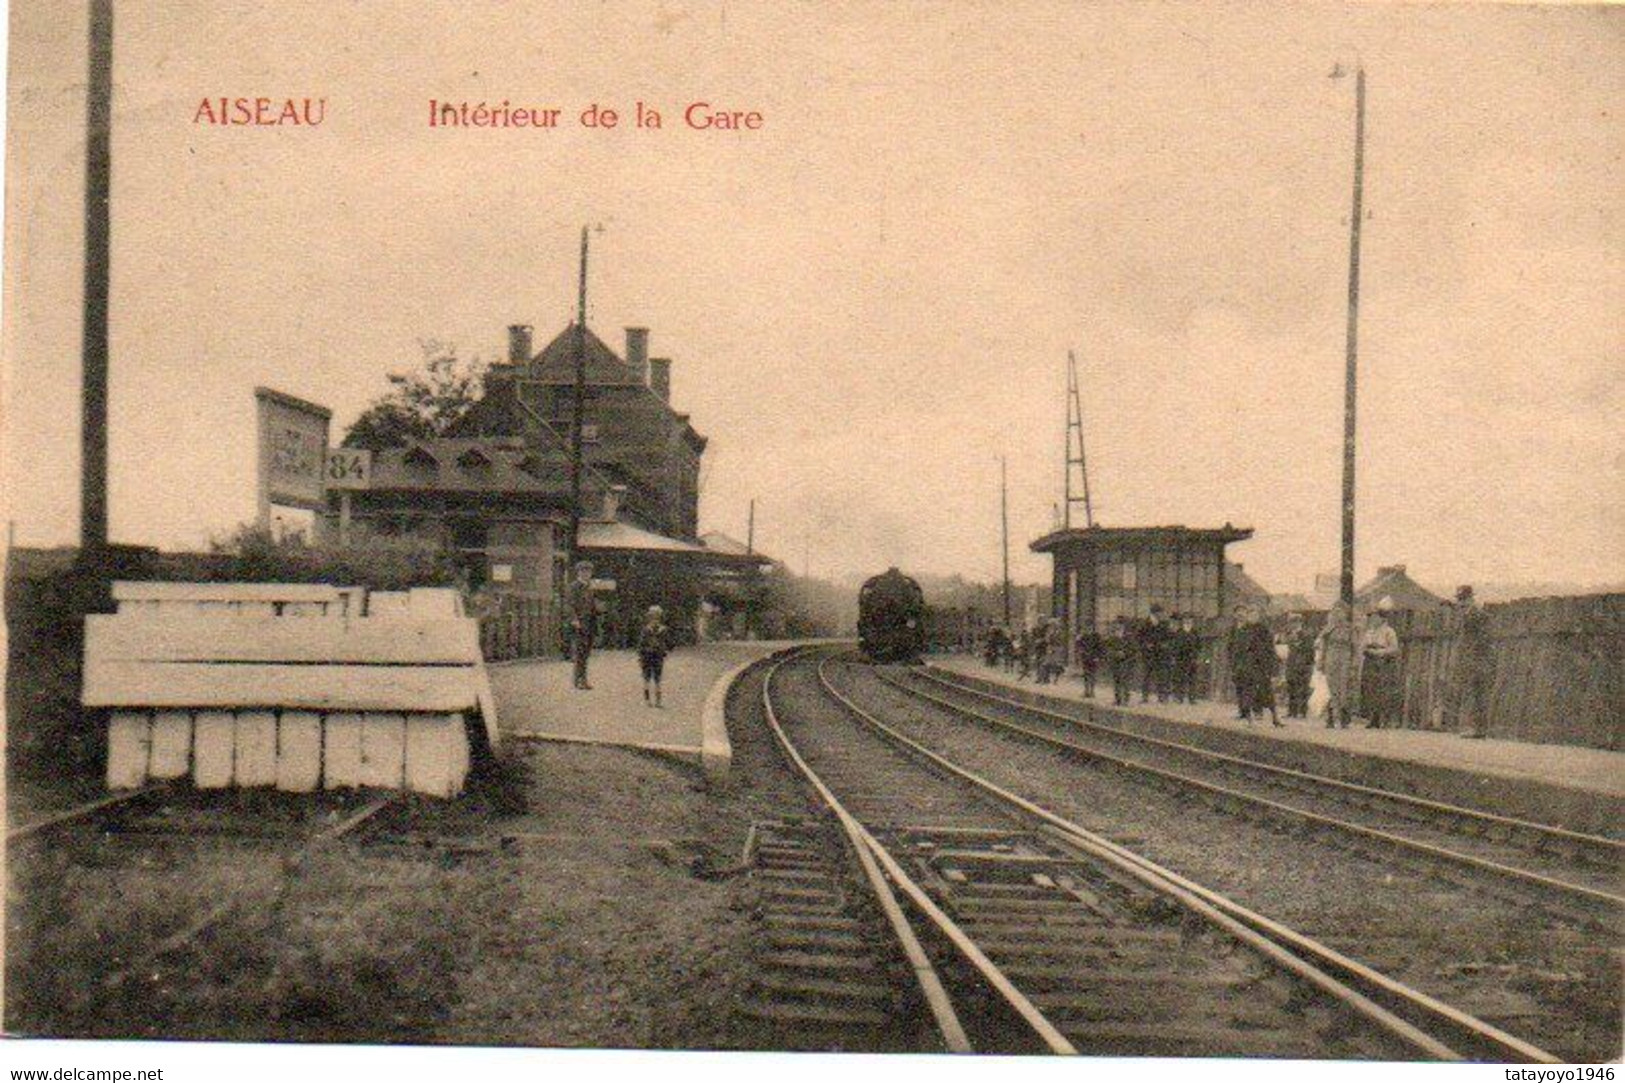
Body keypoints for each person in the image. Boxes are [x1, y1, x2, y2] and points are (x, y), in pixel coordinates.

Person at [1229, 605, 1281, 726]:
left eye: (1255, 614)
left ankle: (1275, 718)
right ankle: (1250, 720)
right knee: (1247, 693)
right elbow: (1237, 651)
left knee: (1267, 693)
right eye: (1250, 614)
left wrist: (1273, 668)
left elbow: (1270, 649)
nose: (1252, 617)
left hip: (1262, 667)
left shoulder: (1264, 630)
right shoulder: (1243, 630)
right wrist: (1236, 667)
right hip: (1247, 667)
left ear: (1259, 616)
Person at [1454, 586, 1492, 739]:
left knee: (1479, 693)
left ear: (1471, 598)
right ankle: (1475, 728)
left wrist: (1473, 654)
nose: (1460, 603)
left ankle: (1479, 729)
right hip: (1470, 659)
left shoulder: (1478, 615)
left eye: (1463, 599)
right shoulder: (1466, 614)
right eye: (1459, 600)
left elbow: (1483, 638)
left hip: (1479, 659)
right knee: (1472, 692)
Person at [1358, 600, 1403, 729]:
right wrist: (1366, 650)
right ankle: (1372, 718)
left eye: (1375, 617)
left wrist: (1379, 652)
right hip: (1370, 662)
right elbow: (1362, 646)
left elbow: (1394, 649)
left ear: (1382, 618)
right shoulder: (1370, 632)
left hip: (1383, 663)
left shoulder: (1389, 631)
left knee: (1382, 690)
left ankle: (1383, 719)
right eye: (1371, 617)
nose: (1372, 619)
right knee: (1369, 689)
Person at [1315, 600, 1359, 728]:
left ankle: (1344, 717)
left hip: (1344, 659)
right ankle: (1331, 717)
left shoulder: (1350, 629)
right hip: (1331, 658)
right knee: (1330, 688)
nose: (1338, 614)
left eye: (1340, 611)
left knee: (1343, 688)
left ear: (1345, 613)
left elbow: (1355, 647)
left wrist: (1354, 664)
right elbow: (1323, 646)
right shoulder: (1329, 628)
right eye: (1335, 611)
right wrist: (1320, 661)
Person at [566, 560, 600, 690]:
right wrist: (574, 619)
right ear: (579, 572)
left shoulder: (589, 587)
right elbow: (570, 605)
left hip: (590, 624)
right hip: (579, 624)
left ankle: (581, 680)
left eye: (588, 571)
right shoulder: (574, 587)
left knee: (586, 653)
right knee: (580, 653)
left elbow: (592, 607)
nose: (586, 574)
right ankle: (579, 680)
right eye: (583, 571)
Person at [636, 605, 673, 707]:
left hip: (646, 656)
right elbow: (669, 644)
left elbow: (640, 644)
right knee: (657, 679)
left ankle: (647, 701)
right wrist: (665, 651)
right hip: (658, 656)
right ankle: (658, 701)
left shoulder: (645, 629)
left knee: (646, 679)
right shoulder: (664, 629)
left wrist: (640, 656)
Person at [1283, 614, 1317, 719]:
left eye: (1295, 622)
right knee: (1291, 687)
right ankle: (1291, 711)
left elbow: (1310, 651)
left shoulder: (1306, 634)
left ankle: (1302, 712)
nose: (1293, 625)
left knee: (1302, 688)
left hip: (1303, 665)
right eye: (1291, 622)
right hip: (1291, 664)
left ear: (1300, 623)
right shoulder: (1289, 634)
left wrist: (1306, 662)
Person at [1136, 606, 1173, 704]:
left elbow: (1169, 637)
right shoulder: (1144, 624)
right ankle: (1145, 697)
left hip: (1160, 654)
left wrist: (1165, 644)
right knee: (1146, 676)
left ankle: (1161, 697)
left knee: (1161, 676)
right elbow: (1138, 638)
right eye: (1159, 613)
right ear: (1153, 613)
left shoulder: (1164, 624)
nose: (1160, 615)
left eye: (1161, 613)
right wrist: (1145, 644)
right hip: (1148, 654)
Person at [1169, 613, 1202, 704]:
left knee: (1192, 679)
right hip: (1181, 659)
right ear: (1183, 621)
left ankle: (1192, 698)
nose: (1188, 622)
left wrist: (1198, 657)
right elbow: (1174, 646)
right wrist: (1174, 657)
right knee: (1180, 679)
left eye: (1190, 620)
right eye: (1186, 620)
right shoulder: (1178, 633)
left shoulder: (1195, 632)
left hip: (1192, 659)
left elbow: (1199, 646)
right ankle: (1179, 698)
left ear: (1192, 622)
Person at [1104, 617, 1136, 706]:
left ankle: (1125, 699)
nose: (1118, 627)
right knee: (1116, 680)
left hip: (1126, 661)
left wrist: (1124, 653)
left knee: (1125, 680)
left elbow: (1134, 649)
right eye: (1117, 625)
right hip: (1115, 661)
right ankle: (1118, 699)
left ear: (1124, 626)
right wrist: (1114, 653)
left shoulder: (1129, 637)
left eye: (1120, 625)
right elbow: (1107, 648)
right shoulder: (1112, 638)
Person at [1074, 624, 1104, 699]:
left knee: (1093, 675)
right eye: (1087, 628)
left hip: (1093, 658)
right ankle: (1086, 691)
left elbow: (1100, 648)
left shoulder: (1096, 637)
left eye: (1090, 628)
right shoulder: (1083, 637)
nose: (1088, 629)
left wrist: (1098, 657)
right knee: (1086, 674)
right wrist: (1078, 640)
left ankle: (1092, 691)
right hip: (1085, 658)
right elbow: (1079, 646)